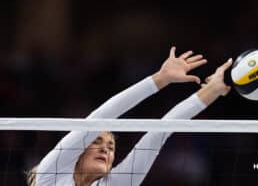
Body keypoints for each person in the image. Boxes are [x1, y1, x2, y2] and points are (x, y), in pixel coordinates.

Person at [27, 46, 232, 186]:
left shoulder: (118, 183)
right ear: (78, 150)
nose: (105, 149)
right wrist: (160, 79)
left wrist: (212, 90)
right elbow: (103, 115)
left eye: (111, 147)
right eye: (97, 141)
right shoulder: (51, 174)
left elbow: (159, 133)